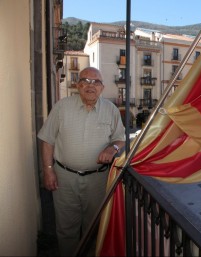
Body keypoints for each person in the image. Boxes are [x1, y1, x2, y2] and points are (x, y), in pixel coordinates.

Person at [38, 67, 125, 256]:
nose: (90, 86)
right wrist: (48, 170)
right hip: (64, 179)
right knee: (66, 229)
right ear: (78, 85)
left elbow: (120, 138)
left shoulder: (111, 110)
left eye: (96, 82)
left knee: (94, 228)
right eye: (85, 81)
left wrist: (113, 148)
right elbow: (47, 139)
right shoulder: (62, 107)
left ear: (102, 87)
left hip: (98, 180)